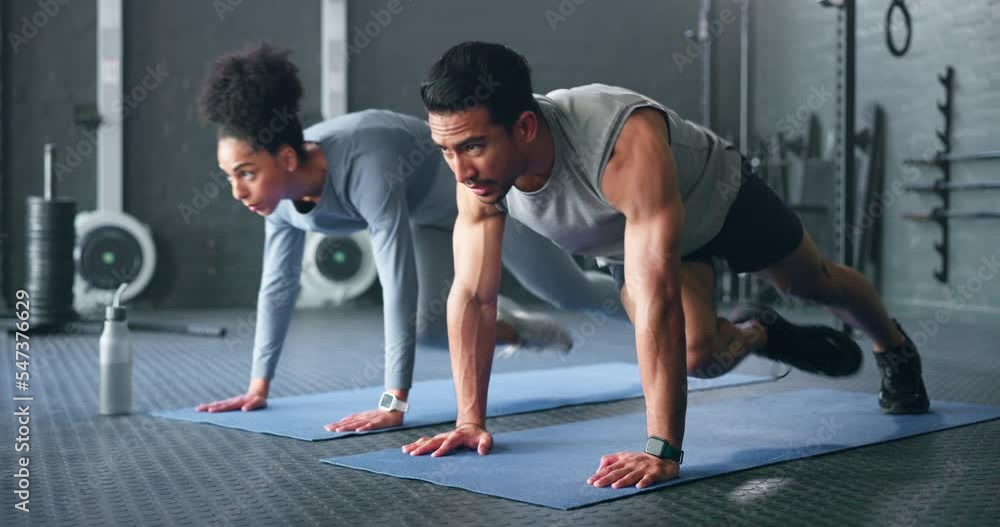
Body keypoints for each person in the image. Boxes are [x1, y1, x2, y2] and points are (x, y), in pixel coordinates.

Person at [402, 41, 929, 489]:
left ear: (524, 126)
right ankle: (758, 334)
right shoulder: (476, 177)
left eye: (472, 146)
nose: (461, 169)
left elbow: (655, 298)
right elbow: (473, 296)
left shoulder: (616, 143)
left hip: (718, 199)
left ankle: (896, 348)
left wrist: (662, 449)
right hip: (631, 241)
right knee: (697, 355)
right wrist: (470, 419)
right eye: (446, 150)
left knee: (812, 282)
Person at [192, 43, 623, 433]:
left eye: (246, 174)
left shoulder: (366, 163)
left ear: (286, 158)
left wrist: (392, 402)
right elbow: (278, 287)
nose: (237, 191)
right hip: (429, 218)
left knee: (572, 293)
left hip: (483, 195)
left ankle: (637, 293)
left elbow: (397, 283)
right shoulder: (279, 200)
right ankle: (527, 331)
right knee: (431, 331)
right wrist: (258, 386)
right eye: (229, 176)